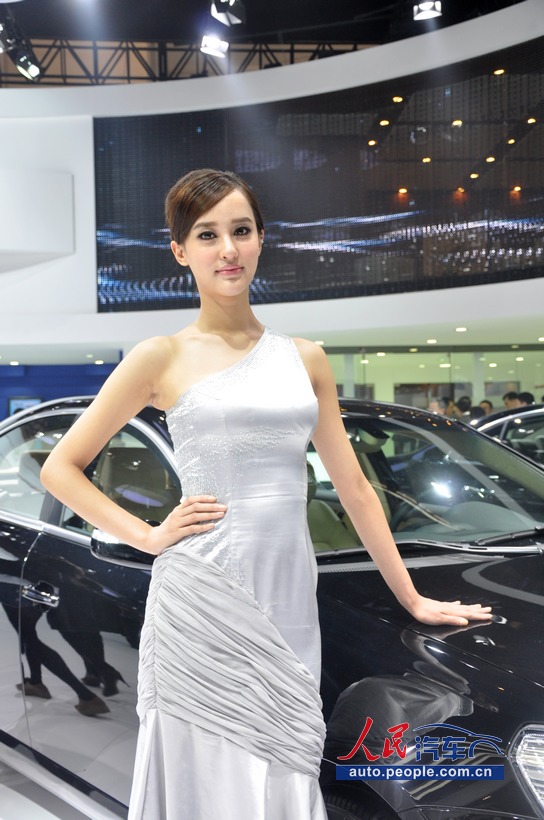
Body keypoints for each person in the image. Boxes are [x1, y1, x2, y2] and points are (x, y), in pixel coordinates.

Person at [40, 168, 492, 819]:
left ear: (260, 239)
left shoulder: (304, 358)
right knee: (204, 776)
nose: (228, 249)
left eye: (241, 230)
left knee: (286, 756)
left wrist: (413, 598)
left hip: (287, 597)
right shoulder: (159, 356)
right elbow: (61, 467)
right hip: (201, 596)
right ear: (180, 251)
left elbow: (355, 489)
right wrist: (147, 536)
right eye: (207, 235)